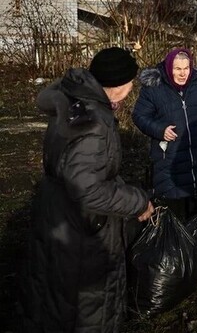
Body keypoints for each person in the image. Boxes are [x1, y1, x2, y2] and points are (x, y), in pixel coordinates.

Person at [20, 46, 155, 332]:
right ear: (119, 86)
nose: (132, 88)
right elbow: (88, 188)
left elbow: (78, 168)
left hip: (59, 215)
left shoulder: (75, 103)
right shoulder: (95, 123)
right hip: (81, 230)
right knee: (89, 309)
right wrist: (137, 201)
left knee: (56, 303)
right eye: (131, 82)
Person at [132, 47, 197, 220]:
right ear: (169, 68)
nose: (183, 74)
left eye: (186, 68)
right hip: (169, 156)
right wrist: (160, 130)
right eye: (177, 69)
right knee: (175, 212)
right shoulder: (154, 88)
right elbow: (139, 115)